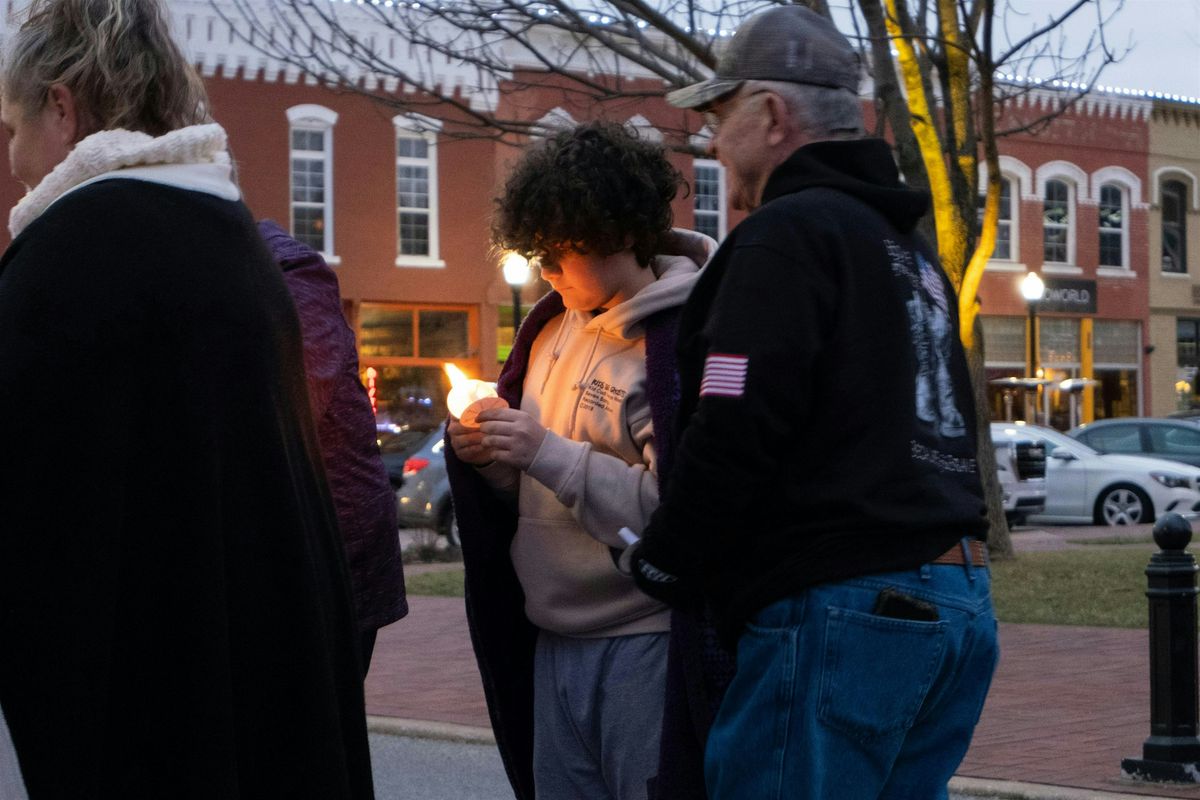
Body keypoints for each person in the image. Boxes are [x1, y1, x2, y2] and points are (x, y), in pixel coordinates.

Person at [0, 0, 374, 796]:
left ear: (61, 108)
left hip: (145, 710)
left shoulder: (69, 253)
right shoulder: (231, 235)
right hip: (265, 690)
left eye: (11, 127)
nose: (13, 158)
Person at [628, 7, 1000, 800]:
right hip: (957, 604)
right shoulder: (913, 258)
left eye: (719, 115)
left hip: (843, 608)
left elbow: (736, 412)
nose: (708, 140)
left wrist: (666, 557)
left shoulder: (786, 235)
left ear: (771, 115)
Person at [445, 120, 724, 800]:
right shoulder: (549, 327)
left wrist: (543, 451)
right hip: (551, 639)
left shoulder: (679, 339)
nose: (544, 268)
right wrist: (490, 458)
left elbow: (676, 514)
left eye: (559, 250)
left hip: (645, 642)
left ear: (619, 232)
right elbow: (530, 494)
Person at [259, 219, 409, 676]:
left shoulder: (286, 270)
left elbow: (287, 404)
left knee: (307, 733)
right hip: (287, 553)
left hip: (327, 559)